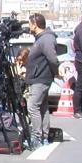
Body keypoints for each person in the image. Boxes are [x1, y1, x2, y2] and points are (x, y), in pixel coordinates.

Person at [25, 13, 59, 147]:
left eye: (30, 24)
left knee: (32, 106)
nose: (29, 27)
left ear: (35, 25)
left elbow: (52, 58)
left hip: (41, 77)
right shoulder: (41, 38)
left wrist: (56, 71)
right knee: (42, 107)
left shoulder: (46, 39)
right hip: (39, 77)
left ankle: (37, 138)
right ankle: (44, 136)